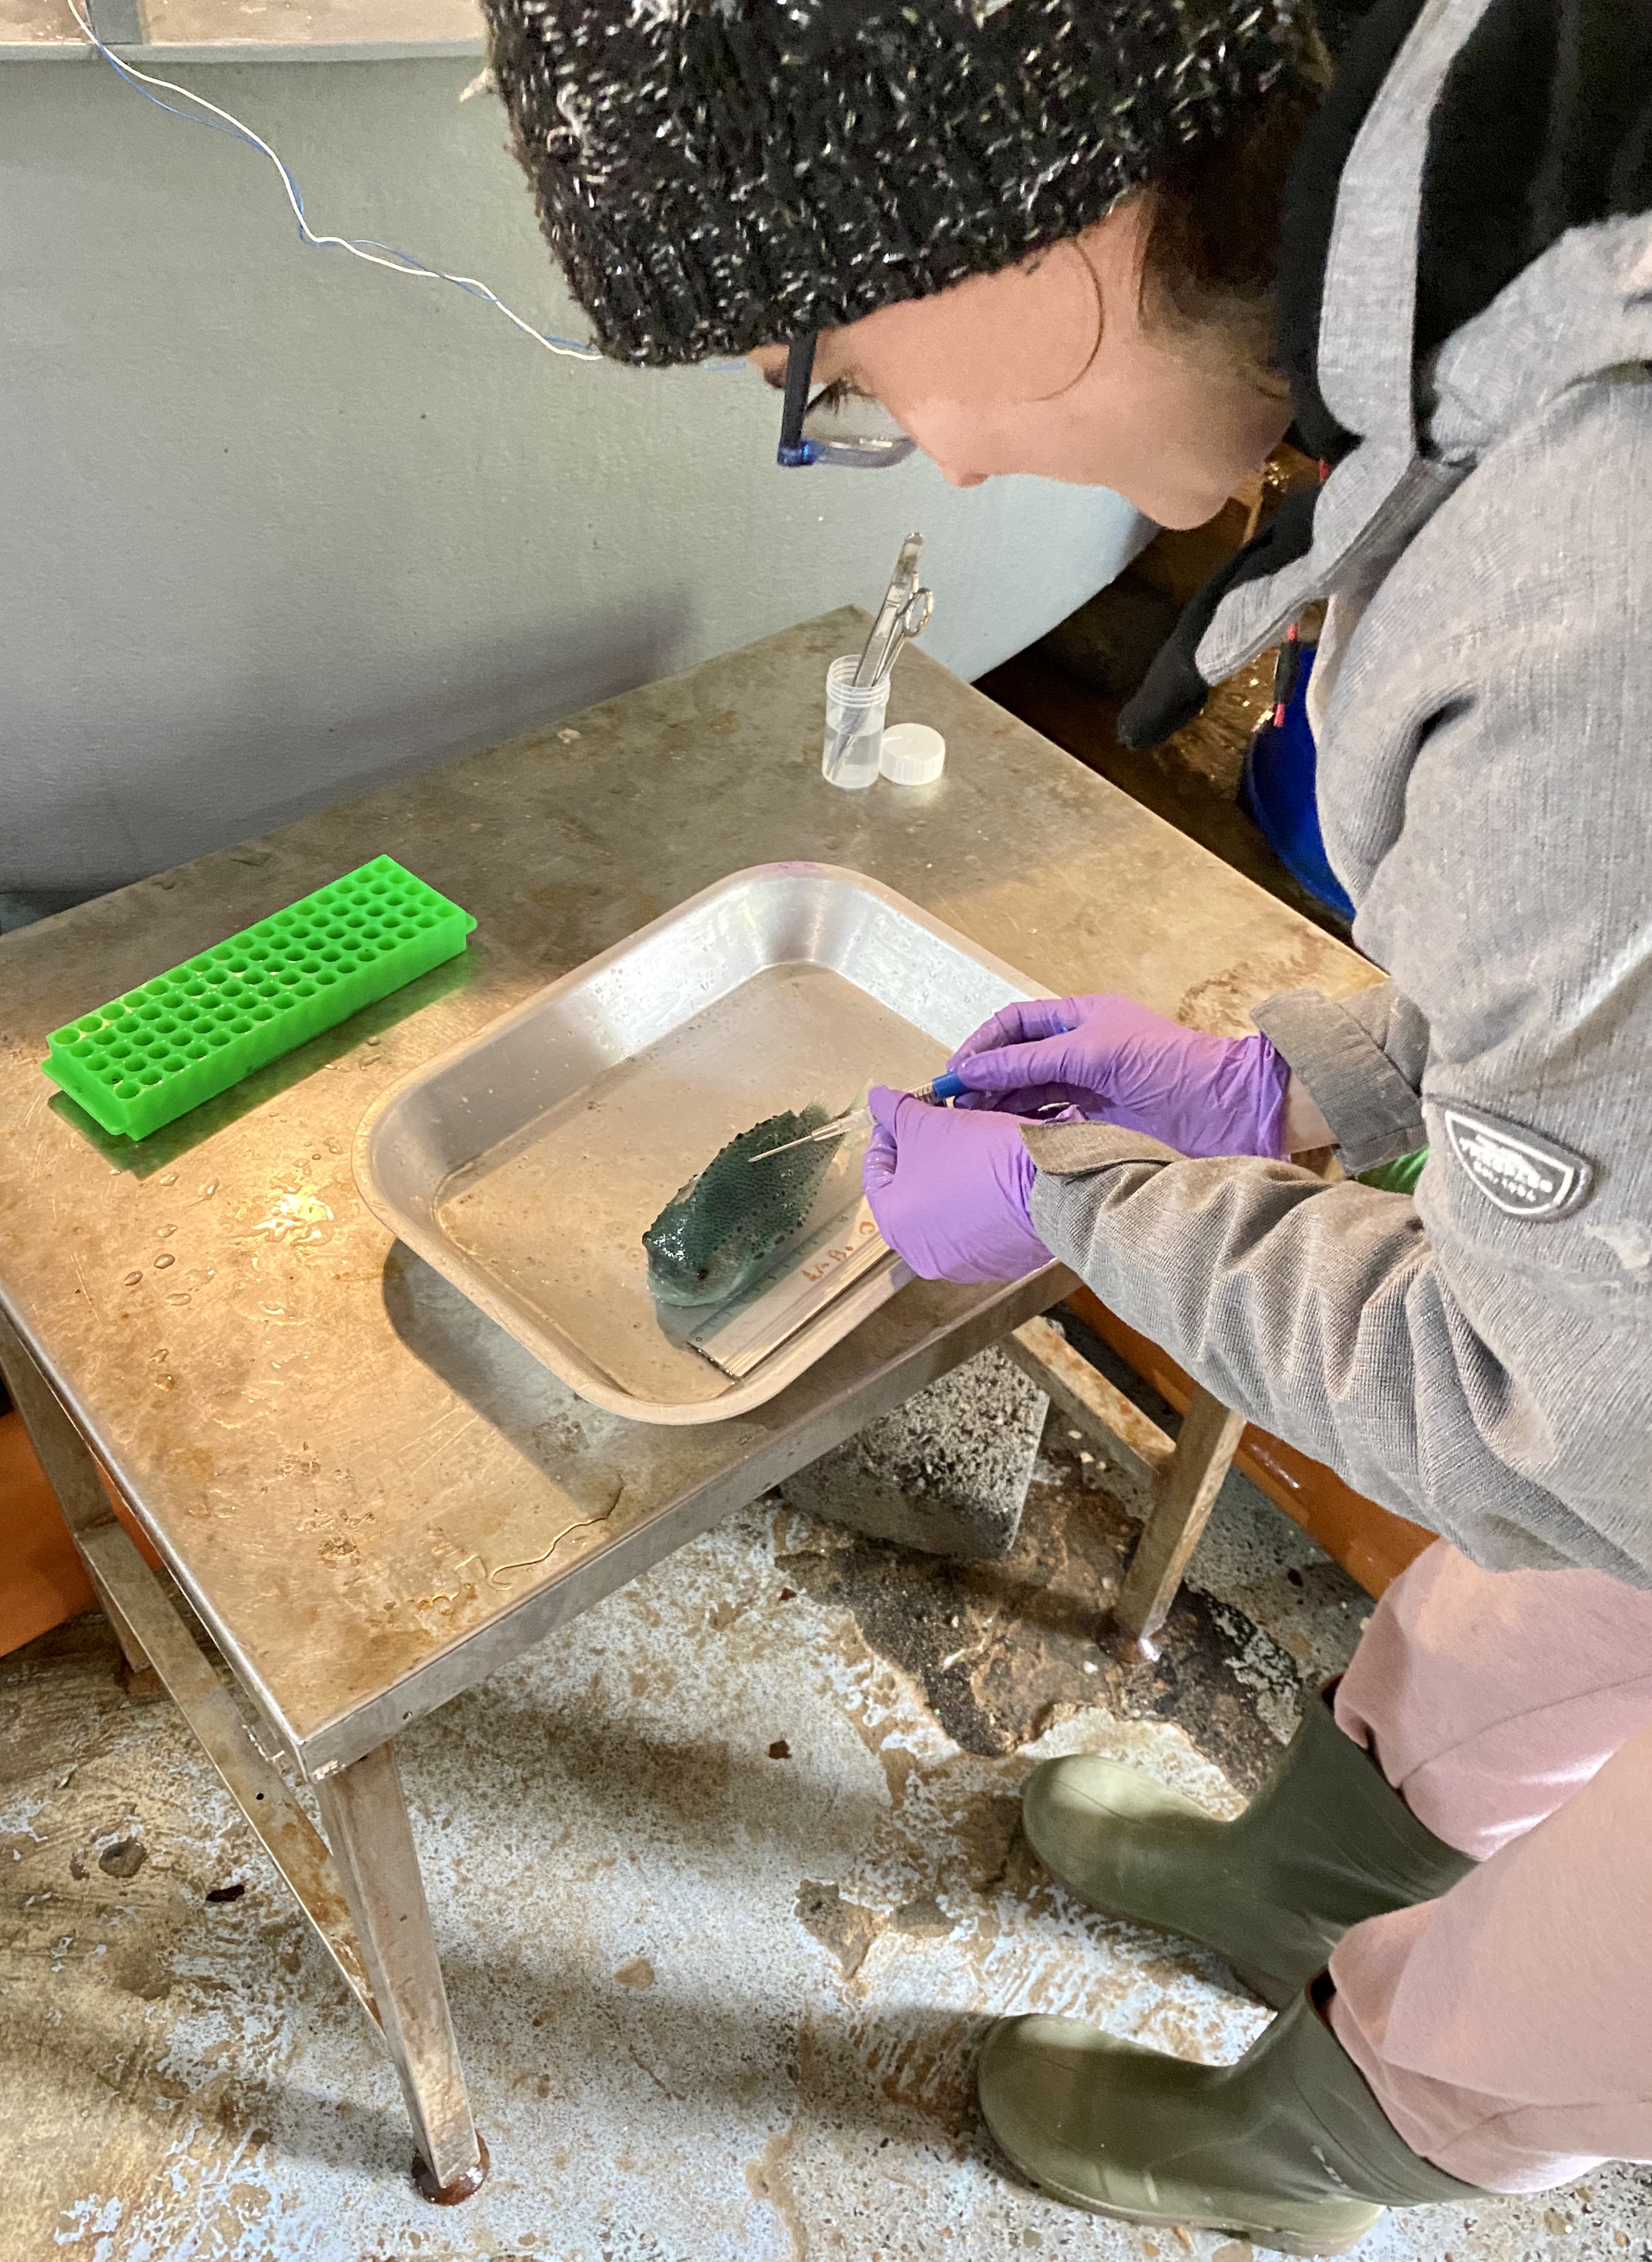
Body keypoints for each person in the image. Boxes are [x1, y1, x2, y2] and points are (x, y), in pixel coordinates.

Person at [480, 0, 1652, 2249]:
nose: (932, 461)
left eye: (830, 385)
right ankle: (1306, 1868)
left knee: (1603, 1945)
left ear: (1005, 214)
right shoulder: (1514, 237)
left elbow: (1551, 1419)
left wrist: (1080, 1198)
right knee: (1540, 1627)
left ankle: (1347, 2136)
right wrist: (1291, 1080)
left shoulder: (1593, 568)